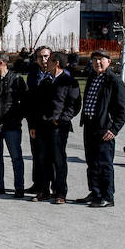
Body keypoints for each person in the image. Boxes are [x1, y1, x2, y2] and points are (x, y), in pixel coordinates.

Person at [78, 50, 125, 207]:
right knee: (92, 162)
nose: (97, 62)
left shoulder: (114, 81)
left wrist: (114, 129)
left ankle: (107, 196)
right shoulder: (93, 77)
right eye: (94, 60)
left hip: (104, 128)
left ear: (109, 62)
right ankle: (95, 192)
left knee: (104, 163)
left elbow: (123, 108)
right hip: (90, 125)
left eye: (101, 60)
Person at [30, 52, 81, 204]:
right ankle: (44, 190)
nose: (46, 62)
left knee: (58, 160)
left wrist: (61, 120)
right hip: (42, 126)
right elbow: (37, 105)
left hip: (58, 127)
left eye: (49, 60)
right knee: (42, 159)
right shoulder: (45, 81)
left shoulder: (69, 81)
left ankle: (60, 193)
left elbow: (74, 105)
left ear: (57, 63)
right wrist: (33, 125)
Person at [0, 51, 28, 199]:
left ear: (1, 63)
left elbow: (24, 102)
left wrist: (16, 117)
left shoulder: (17, 79)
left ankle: (19, 187)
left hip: (11, 126)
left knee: (16, 157)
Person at [25, 46, 52, 196]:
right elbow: (30, 98)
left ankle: (52, 187)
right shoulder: (33, 74)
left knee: (51, 156)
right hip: (35, 120)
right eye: (41, 57)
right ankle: (38, 183)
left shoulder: (58, 73)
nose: (44, 60)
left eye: (46, 56)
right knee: (36, 153)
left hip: (51, 121)